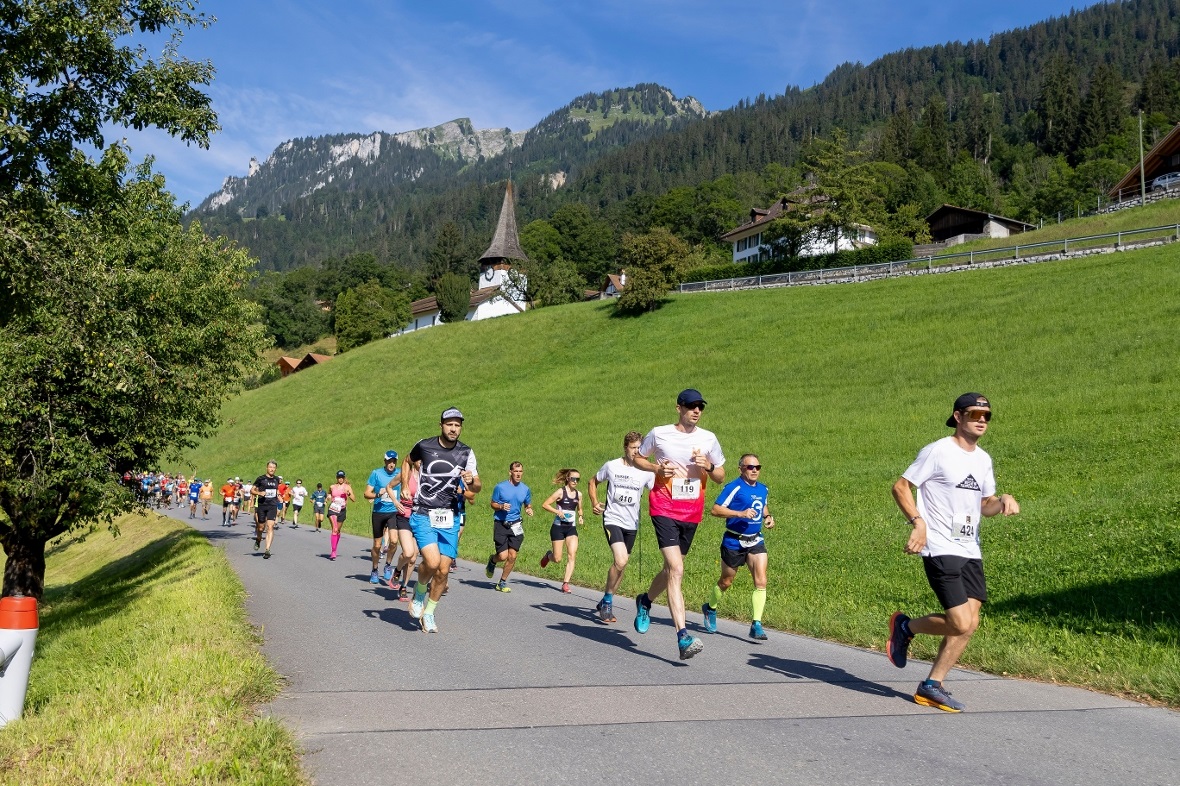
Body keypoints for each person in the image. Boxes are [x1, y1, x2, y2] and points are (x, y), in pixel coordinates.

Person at [888, 392, 1021, 713]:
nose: (982, 420)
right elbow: (901, 487)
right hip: (939, 546)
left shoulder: (983, 459)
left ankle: (931, 685)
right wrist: (918, 522)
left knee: (970, 623)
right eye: (975, 414)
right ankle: (906, 627)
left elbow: (985, 504)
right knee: (960, 623)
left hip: (970, 548)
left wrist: (1003, 499)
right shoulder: (938, 451)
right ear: (958, 417)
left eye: (987, 416)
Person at [631, 389, 726, 661]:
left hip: (691, 512)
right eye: (691, 406)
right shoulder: (660, 433)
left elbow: (721, 475)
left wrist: (709, 466)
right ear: (679, 408)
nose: (696, 411)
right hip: (663, 507)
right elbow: (638, 458)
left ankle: (645, 601)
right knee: (677, 569)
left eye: (700, 407)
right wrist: (656, 469)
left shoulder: (708, 438)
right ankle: (683, 636)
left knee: (670, 569)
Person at [401, 408, 480, 633]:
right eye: (449, 424)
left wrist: (471, 481)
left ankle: (429, 613)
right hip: (424, 513)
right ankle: (419, 594)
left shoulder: (466, 452)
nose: (453, 429)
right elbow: (407, 461)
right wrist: (405, 485)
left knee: (444, 570)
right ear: (441, 425)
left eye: (457, 425)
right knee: (433, 562)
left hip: (450, 517)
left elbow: (477, 487)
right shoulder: (424, 446)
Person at [704, 454, 775, 640]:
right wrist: (740, 513)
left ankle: (756, 624)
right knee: (726, 581)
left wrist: (768, 517)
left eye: (757, 467)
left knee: (761, 581)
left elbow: (762, 505)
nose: (754, 470)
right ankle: (710, 608)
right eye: (750, 467)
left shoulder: (763, 489)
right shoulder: (733, 487)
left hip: (755, 540)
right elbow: (715, 510)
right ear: (741, 469)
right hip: (733, 541)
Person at [589, 431, 655, 623]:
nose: (636, 452)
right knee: (621, 559)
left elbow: (658, 492)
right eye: (633, 448)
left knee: (622, 565)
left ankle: (605, 599)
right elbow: (592, 481)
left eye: (639, 448)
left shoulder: (647, 472)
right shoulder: (612, 466)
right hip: (613, 519)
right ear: (625, 448)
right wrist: (594, 502)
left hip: (631, 524)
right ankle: (608, 602)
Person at [485, 462, 534, 592]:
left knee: (512, 556)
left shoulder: (525, 489)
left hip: (516, 525)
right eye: (516, 471)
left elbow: (527, 504)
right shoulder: (500, 487)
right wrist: (501, 506)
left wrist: (528, 509)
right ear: (510, 472)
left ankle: (502, 582)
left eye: (520, 471)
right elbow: (493, 504)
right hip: (501, 523)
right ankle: (492, 560)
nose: (518, 474)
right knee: (502, 556)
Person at [540, 469, 583, 594]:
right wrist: (557, 512)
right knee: (557, 558)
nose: (575, 481)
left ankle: (565, 583)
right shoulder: (560, 492)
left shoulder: (579, 494)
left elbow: (580, 509)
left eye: (578, 479)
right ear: (568, 479)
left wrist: (580, 516)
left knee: (572, 554)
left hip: (571, 528)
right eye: (573, 479)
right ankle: (549, 556)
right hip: (558, 527)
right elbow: (545, 504)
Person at [366, 452, 402, 585]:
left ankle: (388, 565)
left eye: (394, 461)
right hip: (379, 512)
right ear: (385, 461)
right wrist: (377, 494)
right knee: (377, 545)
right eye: (389, 461)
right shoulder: (376, 473)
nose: (391, 464)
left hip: (393, 512)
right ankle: (375, 570)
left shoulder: (400, 473)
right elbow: (366, 493)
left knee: (394, 541)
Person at [390, 460, 420, 599]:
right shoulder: (406, 474)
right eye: (419, 459)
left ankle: (404, 586)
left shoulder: (428, 477)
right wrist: (396, 502)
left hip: (420, 519)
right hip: (405, 516)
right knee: (408, 553)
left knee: (413, 558)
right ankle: (397, 570)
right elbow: (389, 486)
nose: (422, 461)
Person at [252, 461, 282, 559]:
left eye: (274, 467)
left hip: (272, 505)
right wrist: (259, 493)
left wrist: (278, 496)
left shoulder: (277, 479)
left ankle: (267, 549)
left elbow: (276, 490)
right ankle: (258, 539)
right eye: (270, 467)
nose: (272, 469)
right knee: (261, 528)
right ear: (267, 468)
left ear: (275, 469)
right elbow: (252, 490)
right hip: (262, 505)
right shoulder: (260, 479)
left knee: (270, 526)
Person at [328, 470, 356, 561]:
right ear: (336, 478)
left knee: (338, 531)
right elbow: (329, 494)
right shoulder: (332, 486)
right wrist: (328, 497)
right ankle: (333, 551)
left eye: (342, 477)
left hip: (342, 510)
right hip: (333, 509)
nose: (340, 479)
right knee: (335, 529)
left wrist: (348, 494)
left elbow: (353, 499)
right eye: (339, 477)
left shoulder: (347, 487)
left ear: (344, 478)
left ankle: (335, 547)